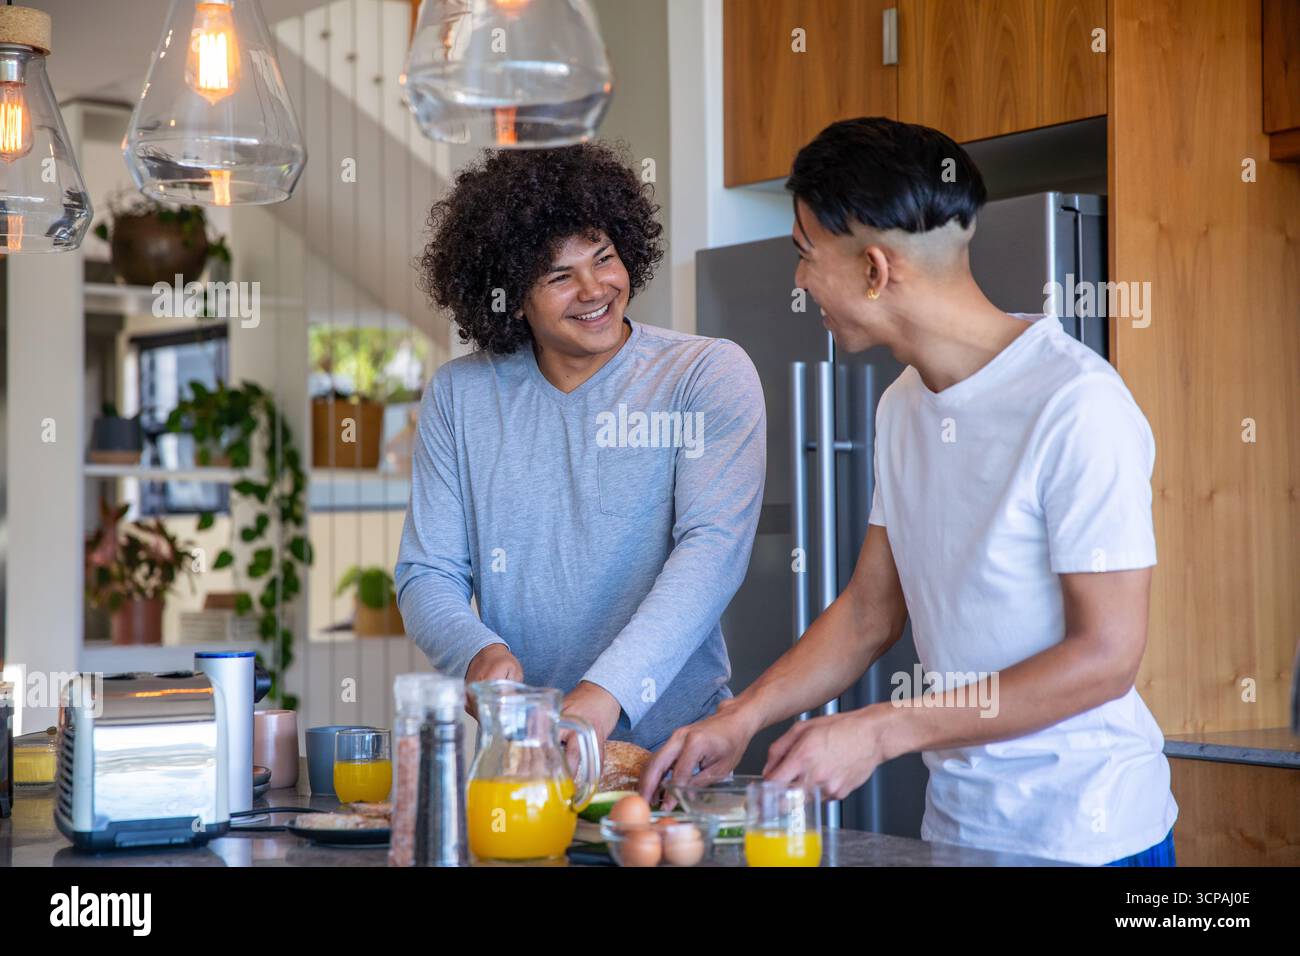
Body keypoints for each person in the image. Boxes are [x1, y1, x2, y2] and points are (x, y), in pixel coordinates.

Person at [640, 117, 1177, 867]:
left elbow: (1107, 656)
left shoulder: (1077, 406)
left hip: (1088, 839)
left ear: (875, 270)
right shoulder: (903, 403)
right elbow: (869, 612)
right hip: (958, 832)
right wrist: (742, 717)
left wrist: (884, 727)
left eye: (805, 254)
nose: (797, 282)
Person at [395, 142, 766, 754]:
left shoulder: (704, 374)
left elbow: (712, 553)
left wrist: (605, 693)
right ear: (512, 295)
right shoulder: (461, 396)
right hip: (529, 758)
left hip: (675, 753)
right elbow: (427, 571)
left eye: (605, 257)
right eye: (559, 275)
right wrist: (476, 652)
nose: (595, 289)